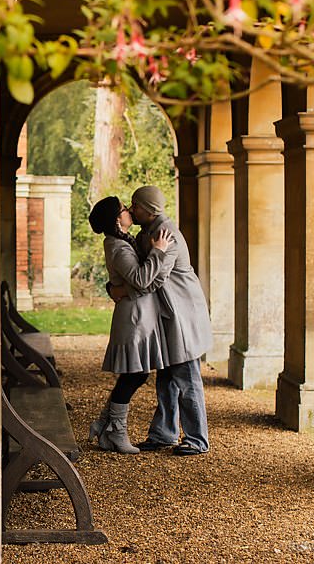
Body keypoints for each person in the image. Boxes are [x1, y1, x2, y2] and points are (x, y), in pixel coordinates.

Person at [111, 185, 213, 456]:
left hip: (182, 313)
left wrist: (119, 291)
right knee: (166, 375)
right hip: (167, 313)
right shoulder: (147, 232)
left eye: (136, 205)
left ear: (149, 208)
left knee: (186, 377)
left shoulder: (166, 235)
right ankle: (163, 433)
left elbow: (151, 280)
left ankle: (196, 439)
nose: (132, 209)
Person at [87, 195, 174, 454]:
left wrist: (116, 288)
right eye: (124, 209)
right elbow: (141, 279)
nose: (128, 211)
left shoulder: (123, 242)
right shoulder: (117, 246)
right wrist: (159, 251)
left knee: (136, 372)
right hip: (133, 317)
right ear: (117, 219)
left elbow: (133, 282)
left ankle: (107, 424)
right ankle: (115, 429)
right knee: (136, 373)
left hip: (138, 312)